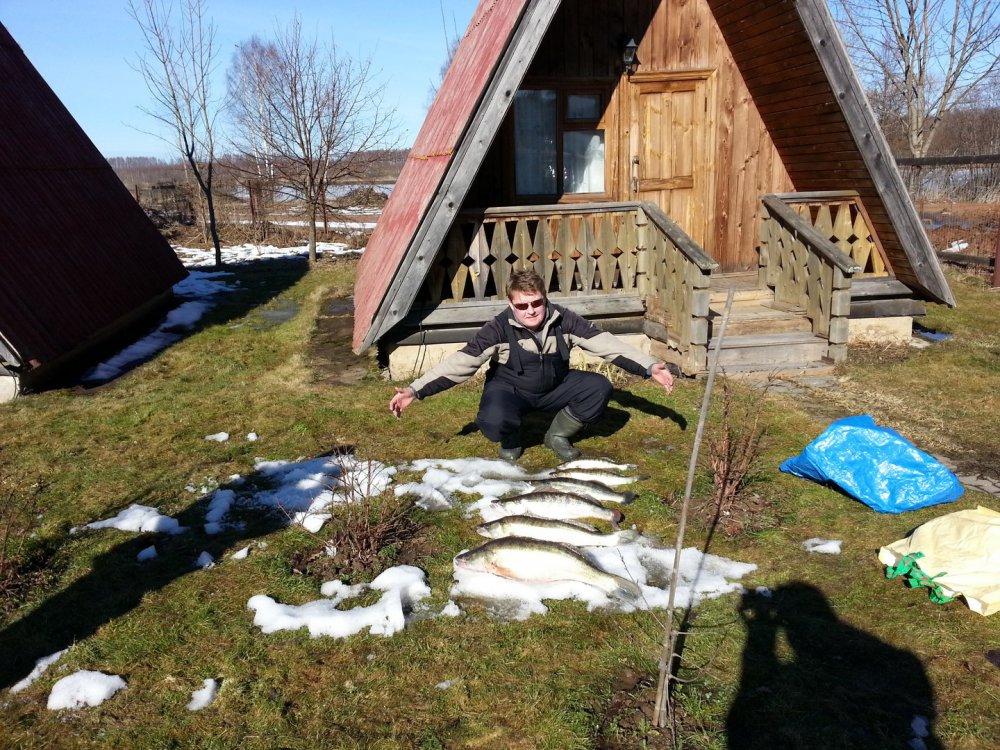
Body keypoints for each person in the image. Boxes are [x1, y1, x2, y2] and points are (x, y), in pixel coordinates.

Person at [388, 270, 676, 460]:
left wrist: (649, 366)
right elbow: (461, 362)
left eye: (536, 303)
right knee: (494, 420)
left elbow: (606, 344)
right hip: (512, 390)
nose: (530, 311)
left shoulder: (565, 320)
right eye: (522, 306)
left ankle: (557, 436)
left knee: (598, 386)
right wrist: (415, 390)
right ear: (511, 304)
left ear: (544, 299)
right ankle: (511, 438)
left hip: (555, 387)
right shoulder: (497, 328)